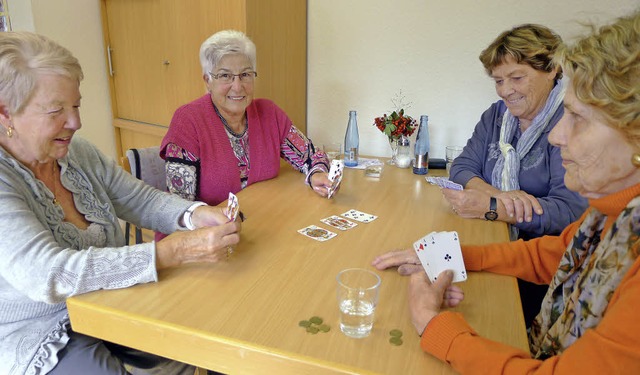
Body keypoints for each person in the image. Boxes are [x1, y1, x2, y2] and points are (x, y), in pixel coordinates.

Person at [373, 10, 640, 373]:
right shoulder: (611, 214)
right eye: (499, 79)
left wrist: (432, 322)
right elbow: (555, 253)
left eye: (577, 118)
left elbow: (562, 215)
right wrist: (453, 255)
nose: (558, 135)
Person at [0, 32, 242, 374]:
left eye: (76, 105)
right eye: (56, 111)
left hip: (112, 303)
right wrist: (170, 253)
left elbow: (138, 199)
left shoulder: (76, 153)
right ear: (5, 113)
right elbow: (47, 274)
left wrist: (196, 214)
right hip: (39, 333)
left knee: (205, 330)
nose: (75, 123)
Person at [444, 24, 589, 326]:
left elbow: (570, 211)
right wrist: (496, 194)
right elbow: (462, 166)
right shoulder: (496, 115)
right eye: (498, 80)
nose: (505, 90)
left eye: (517, 77)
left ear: (552, 70)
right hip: (493, 242)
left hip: (541, 269)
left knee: (481, 318)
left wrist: (497, 209)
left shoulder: (569, 123)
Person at [159, 30, 332, 232]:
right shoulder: (188, 121)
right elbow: (178, 208)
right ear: (207, 81)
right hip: (209, 239)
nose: (238, 86)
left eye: (245, 75)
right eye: (225, 75)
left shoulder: (269, 113)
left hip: (264, 226)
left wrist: (317, 174)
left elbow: (310, 157)